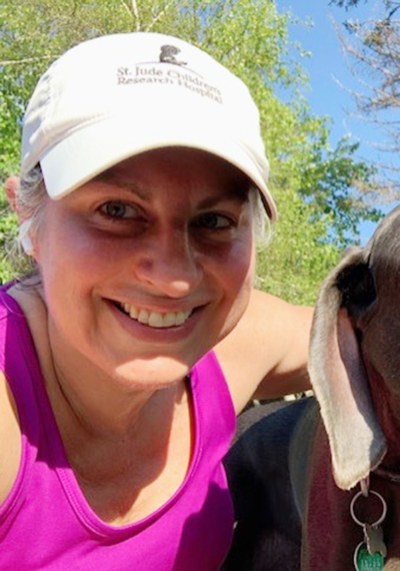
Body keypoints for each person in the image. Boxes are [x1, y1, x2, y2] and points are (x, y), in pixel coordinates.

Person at [0, 32, 314, 569]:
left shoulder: (231, 343)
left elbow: (386, 335)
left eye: (213, 221)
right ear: (27, 213)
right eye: (117, 210)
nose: (172, 278)